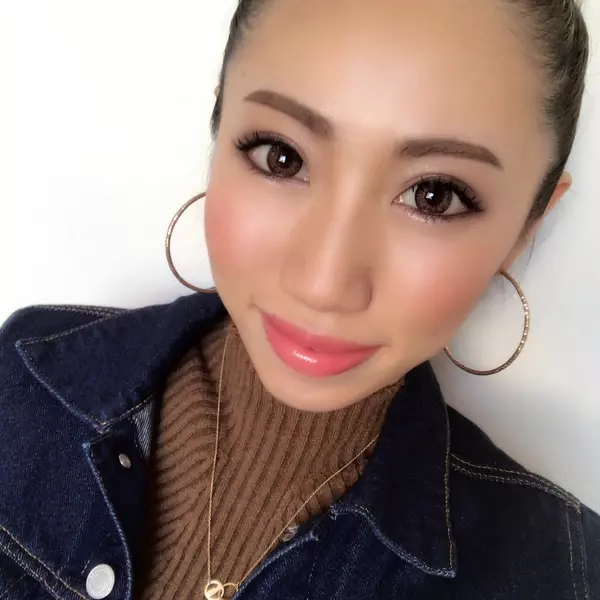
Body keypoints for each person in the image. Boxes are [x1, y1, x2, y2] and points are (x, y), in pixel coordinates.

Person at [1, 0, 598, 598]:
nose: (323, 283)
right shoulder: (22, 377)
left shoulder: (562, 574)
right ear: (220, 125)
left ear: (527, 225)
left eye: (434, 196)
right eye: (281, 157)